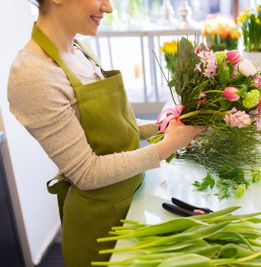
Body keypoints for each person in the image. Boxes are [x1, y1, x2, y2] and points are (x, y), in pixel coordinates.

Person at [7, 0, 203, 266]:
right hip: (99, 230)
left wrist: (165, 128)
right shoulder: (33, 75)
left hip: (129, 202)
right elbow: (86, 172)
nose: (109, 7)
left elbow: (115, 131)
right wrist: (166, 146)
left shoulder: (78, 49)